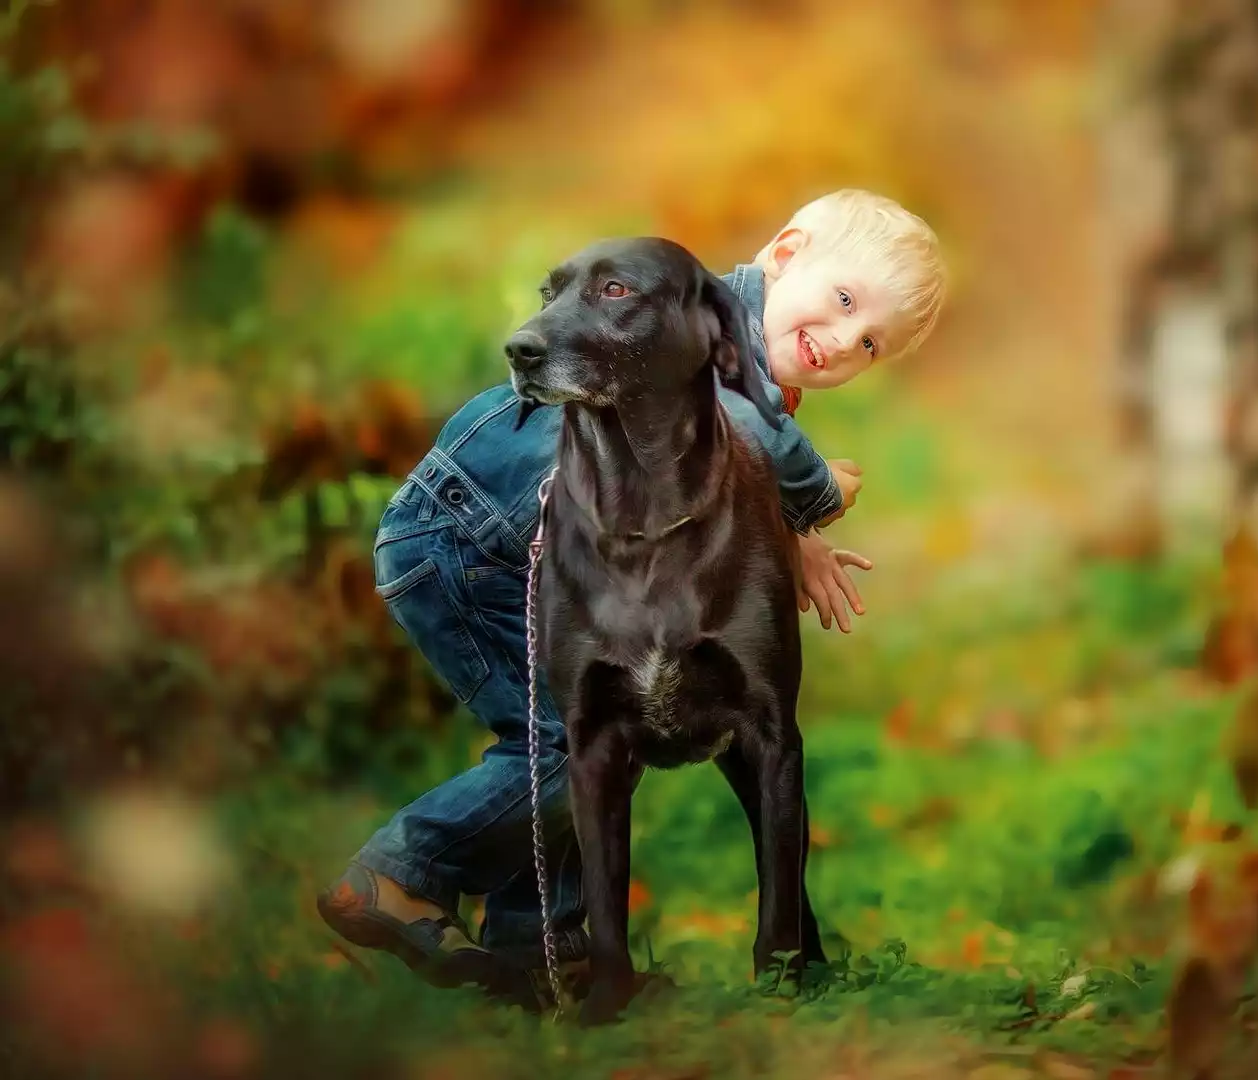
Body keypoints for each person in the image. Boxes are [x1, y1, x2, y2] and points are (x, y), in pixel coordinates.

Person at [316, 189, 948, 1004]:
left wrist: (790, 539)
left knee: (595, 726)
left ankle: (544, 955)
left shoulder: (730, 363)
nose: (840, 342)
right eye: (844, 302)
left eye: (869, 343)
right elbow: (748, 435)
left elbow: (707, 476)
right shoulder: (691, 328)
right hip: (465, 547)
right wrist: (820, 495)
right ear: (786, 254)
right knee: (568, 743)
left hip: (530, 550)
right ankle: (400, 870)